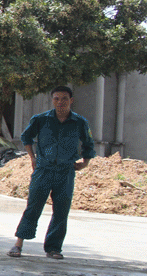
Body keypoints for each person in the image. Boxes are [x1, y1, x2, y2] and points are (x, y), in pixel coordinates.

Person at [8, 86, 96, 260]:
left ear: (71, 100)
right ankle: (18, 244)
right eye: (56, 99)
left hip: (66, 172)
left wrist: (85, 163)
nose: (60, 102)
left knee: (61, 210)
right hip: (43, 170)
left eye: (64, 99)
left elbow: (88, 143)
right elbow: (26, 137)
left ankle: (54, 248)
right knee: (33, 207)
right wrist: (32, 157)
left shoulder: (79, 122)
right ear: (52, 100)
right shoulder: (41, 119)